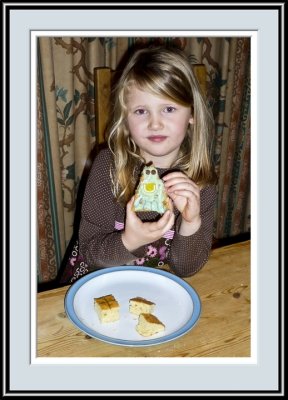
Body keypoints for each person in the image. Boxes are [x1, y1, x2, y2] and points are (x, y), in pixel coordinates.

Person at [59, 45, 217, 284]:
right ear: (125, 118)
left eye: (169, 109)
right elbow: (90, 254)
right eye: (141, 111)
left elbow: (187, 268)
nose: (155, 124)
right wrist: (129, 240)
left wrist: (191, 222)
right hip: (98, 277)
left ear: (192, 114)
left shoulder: (200, 181)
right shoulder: (108, 168)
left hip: (158, 285)